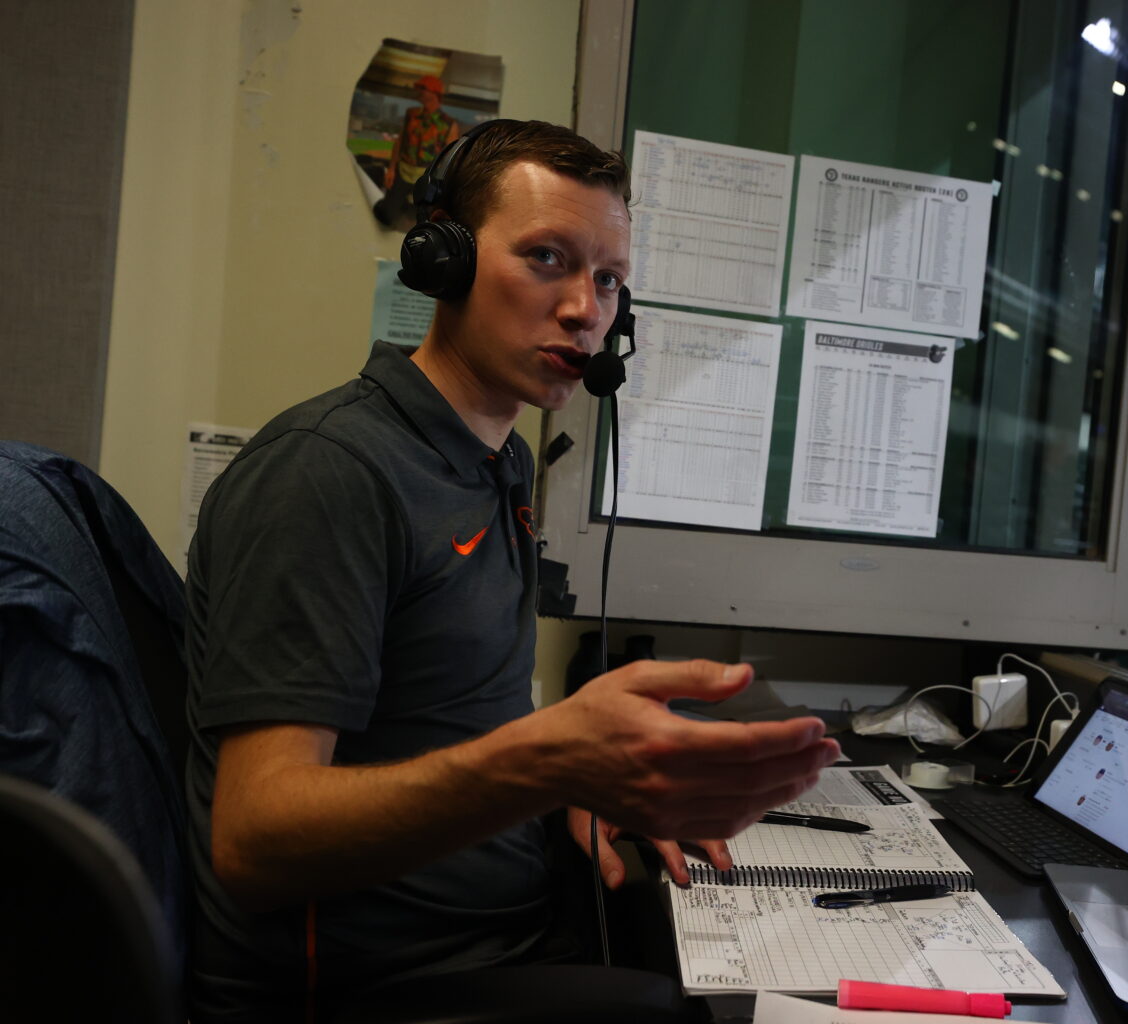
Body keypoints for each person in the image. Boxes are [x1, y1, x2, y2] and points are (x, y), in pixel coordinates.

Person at [184, 119, 841, 1021]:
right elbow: (255, 841)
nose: (586, 309)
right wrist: (547, 762)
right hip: (379, 984)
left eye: (608, 280)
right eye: (546, 259)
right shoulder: (330, 474)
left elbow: (445, 725)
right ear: (442, 260)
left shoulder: (499, 460)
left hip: (504, 912)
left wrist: (581, 782)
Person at [373, 74, 462, 230]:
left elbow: (450, 158)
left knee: (418, 217)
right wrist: (392, 169)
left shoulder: (448, 124)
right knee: (387, 212)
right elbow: (400, 142)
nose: (418, 92)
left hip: (426, 176)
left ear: (434, 93)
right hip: (403, 171)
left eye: (423, 88)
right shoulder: (412, 114)